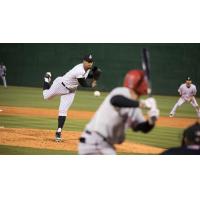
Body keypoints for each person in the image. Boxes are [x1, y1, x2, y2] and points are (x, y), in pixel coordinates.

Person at [78, 69, 160, 155]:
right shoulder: (122, 91)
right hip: (94, 141)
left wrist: (151, 121)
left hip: (105, 146)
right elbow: (115, 100)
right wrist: (142, 104)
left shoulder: (134, 107)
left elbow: (140, 127)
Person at [42, 54, 101, 142]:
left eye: (91, 62)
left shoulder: (87, 69)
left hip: (71, 91)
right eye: (88, 61)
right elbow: (83, 83)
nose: (89, 63)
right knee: (46, 96)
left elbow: (91, 74)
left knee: (63, 110)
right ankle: (47, 79)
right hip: (61, 85)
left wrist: (95, 77)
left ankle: (58, 131)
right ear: (83, 61)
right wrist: (92, 84)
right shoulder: (79, 70)